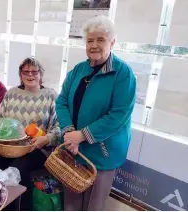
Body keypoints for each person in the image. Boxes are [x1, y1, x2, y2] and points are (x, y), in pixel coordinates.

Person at [56, 16, 136, 211]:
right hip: (73, 148)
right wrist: (69, 134)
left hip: (101, 152)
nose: (94, 45)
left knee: (94, 205)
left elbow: (118, 115)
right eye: (90, 40)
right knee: (72, 202)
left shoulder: (123, 74)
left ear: (112, 42)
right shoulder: (78, 70)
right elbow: (62, 101)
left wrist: (81, 135)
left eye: (100, 40)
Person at [0, 57, 61, 210]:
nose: (30, 75)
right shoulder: (12, 93)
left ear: (41, 74)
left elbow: (58, 127)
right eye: (26, 71)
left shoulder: (51, 96)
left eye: (34, 71)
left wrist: (46, 139)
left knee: (18, 168)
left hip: (36, 149)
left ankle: (19, 208)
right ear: (20, 75)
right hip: (8, 147)